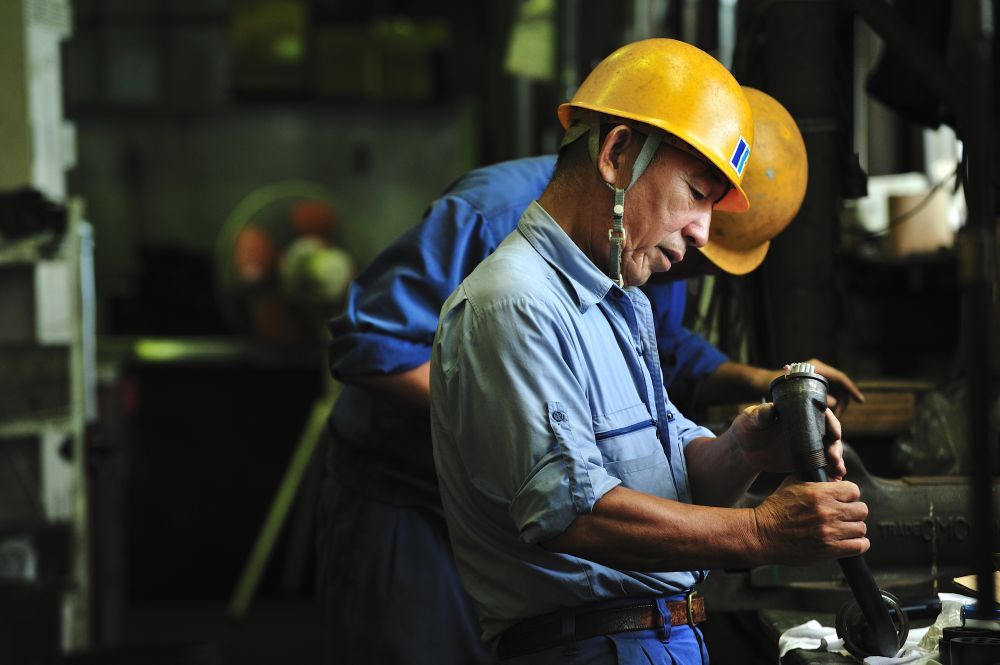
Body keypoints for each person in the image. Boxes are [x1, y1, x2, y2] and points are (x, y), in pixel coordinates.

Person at [319, 75, 861, 665]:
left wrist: (746, 446)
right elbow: (569, 505)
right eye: (695, 194)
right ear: (617, 153)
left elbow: (658, 430)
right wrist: (760, 532)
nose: (701, 236)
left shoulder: (621, 290)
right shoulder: (507, 269)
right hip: (400, 488)